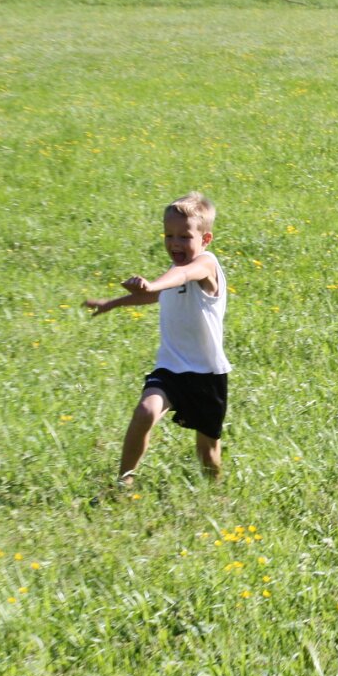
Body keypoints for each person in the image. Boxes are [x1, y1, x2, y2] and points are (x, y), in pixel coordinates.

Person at [84, 192, 230, 484]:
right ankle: (124, 482)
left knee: (208, 453)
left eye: (184, 237)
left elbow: (182, 277)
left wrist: (152, 283)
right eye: (169, 235)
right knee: (145, 411)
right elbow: (159, 294)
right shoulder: (174, 271)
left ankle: (215, 493)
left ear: (205, 239)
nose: (175, 243)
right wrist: (113, 303)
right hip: (171, 369)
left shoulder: (206, 264)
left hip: (207, 375)